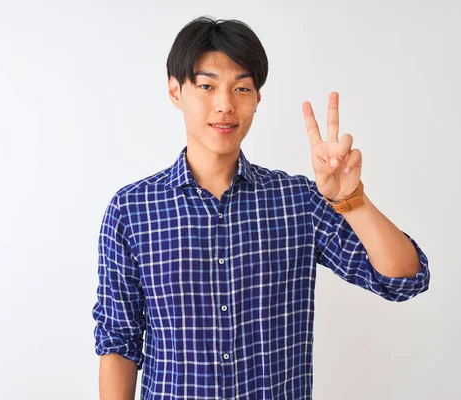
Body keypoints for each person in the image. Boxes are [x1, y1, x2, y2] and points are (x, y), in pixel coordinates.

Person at [92, 16, 430, 400]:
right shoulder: (132, 210)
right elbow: (119, 341)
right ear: (175, 91)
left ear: (257, 99)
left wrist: (351, 200)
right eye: (207, 86)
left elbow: (404, 279)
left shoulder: (297, 201)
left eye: (241, 88)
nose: (225, 104)